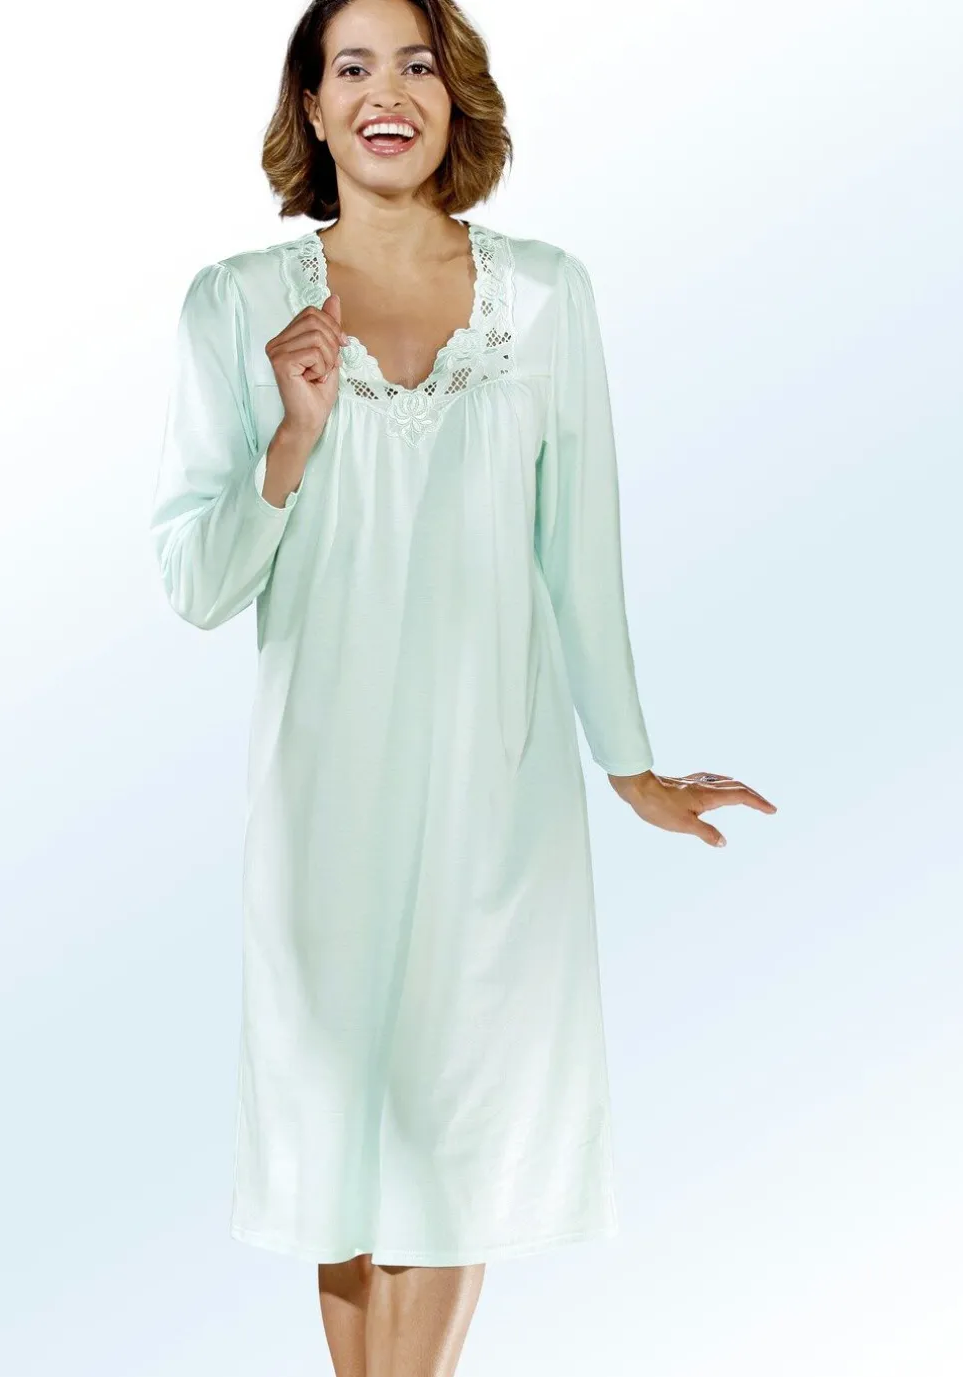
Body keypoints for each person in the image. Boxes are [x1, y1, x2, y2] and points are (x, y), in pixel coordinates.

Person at [149, 0, 777, 1372]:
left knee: (453, 1140)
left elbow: (581, 549)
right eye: (352, 67)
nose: (388, 92)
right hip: (322, 794)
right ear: (311, 106)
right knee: (346, 1150)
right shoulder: (236, 305)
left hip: (497, 788)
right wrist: (292, 436)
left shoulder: (546, 295)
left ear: (456, 95)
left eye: (418, 64)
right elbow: (196, 583)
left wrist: (630, 767)